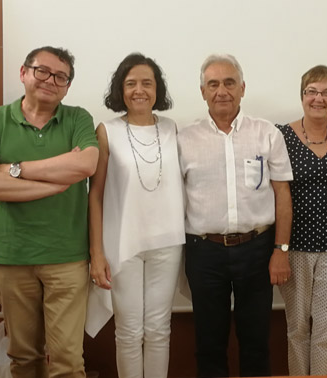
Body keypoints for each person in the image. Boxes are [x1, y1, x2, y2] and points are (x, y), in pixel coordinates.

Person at [177, 53, 293, 378]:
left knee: (256, 341)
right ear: (202, 92)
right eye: (213, 84)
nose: (221, 91)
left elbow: (283, 195)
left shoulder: (267, 134)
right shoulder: (184, 140)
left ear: (243, 88)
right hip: (204, 253)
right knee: (209, 342)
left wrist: (280, 251)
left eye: (229, 83)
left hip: (257, 250)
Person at [0, 46, 99, 378]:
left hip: (67, 257)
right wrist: (53, 183)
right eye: (42, 71)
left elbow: (85, 163)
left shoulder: (78, 118)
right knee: (23, 359)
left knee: (67, 361)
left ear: (67, 86)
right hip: (11, 257)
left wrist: (13, 169)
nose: (50, 80)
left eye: (61, 76)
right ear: (23, 73)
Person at [85, 53, 185, 378]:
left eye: (147, 83)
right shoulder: (106, 131)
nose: (139, 90)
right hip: (122, 244)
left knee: (159, 330)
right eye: (131, 84)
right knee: (128, 333)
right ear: (120, 89)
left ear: (158, 89)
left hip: (167, 244)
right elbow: (95, 195)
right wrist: (96, 252)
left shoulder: (172, 129)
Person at [276, 65, 327, 376]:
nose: (319, 98)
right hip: (294, 245)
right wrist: (279, 248)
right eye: (312, 91)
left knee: (326, 327)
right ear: (302, 95)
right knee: (297, 327)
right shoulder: (282, 136)